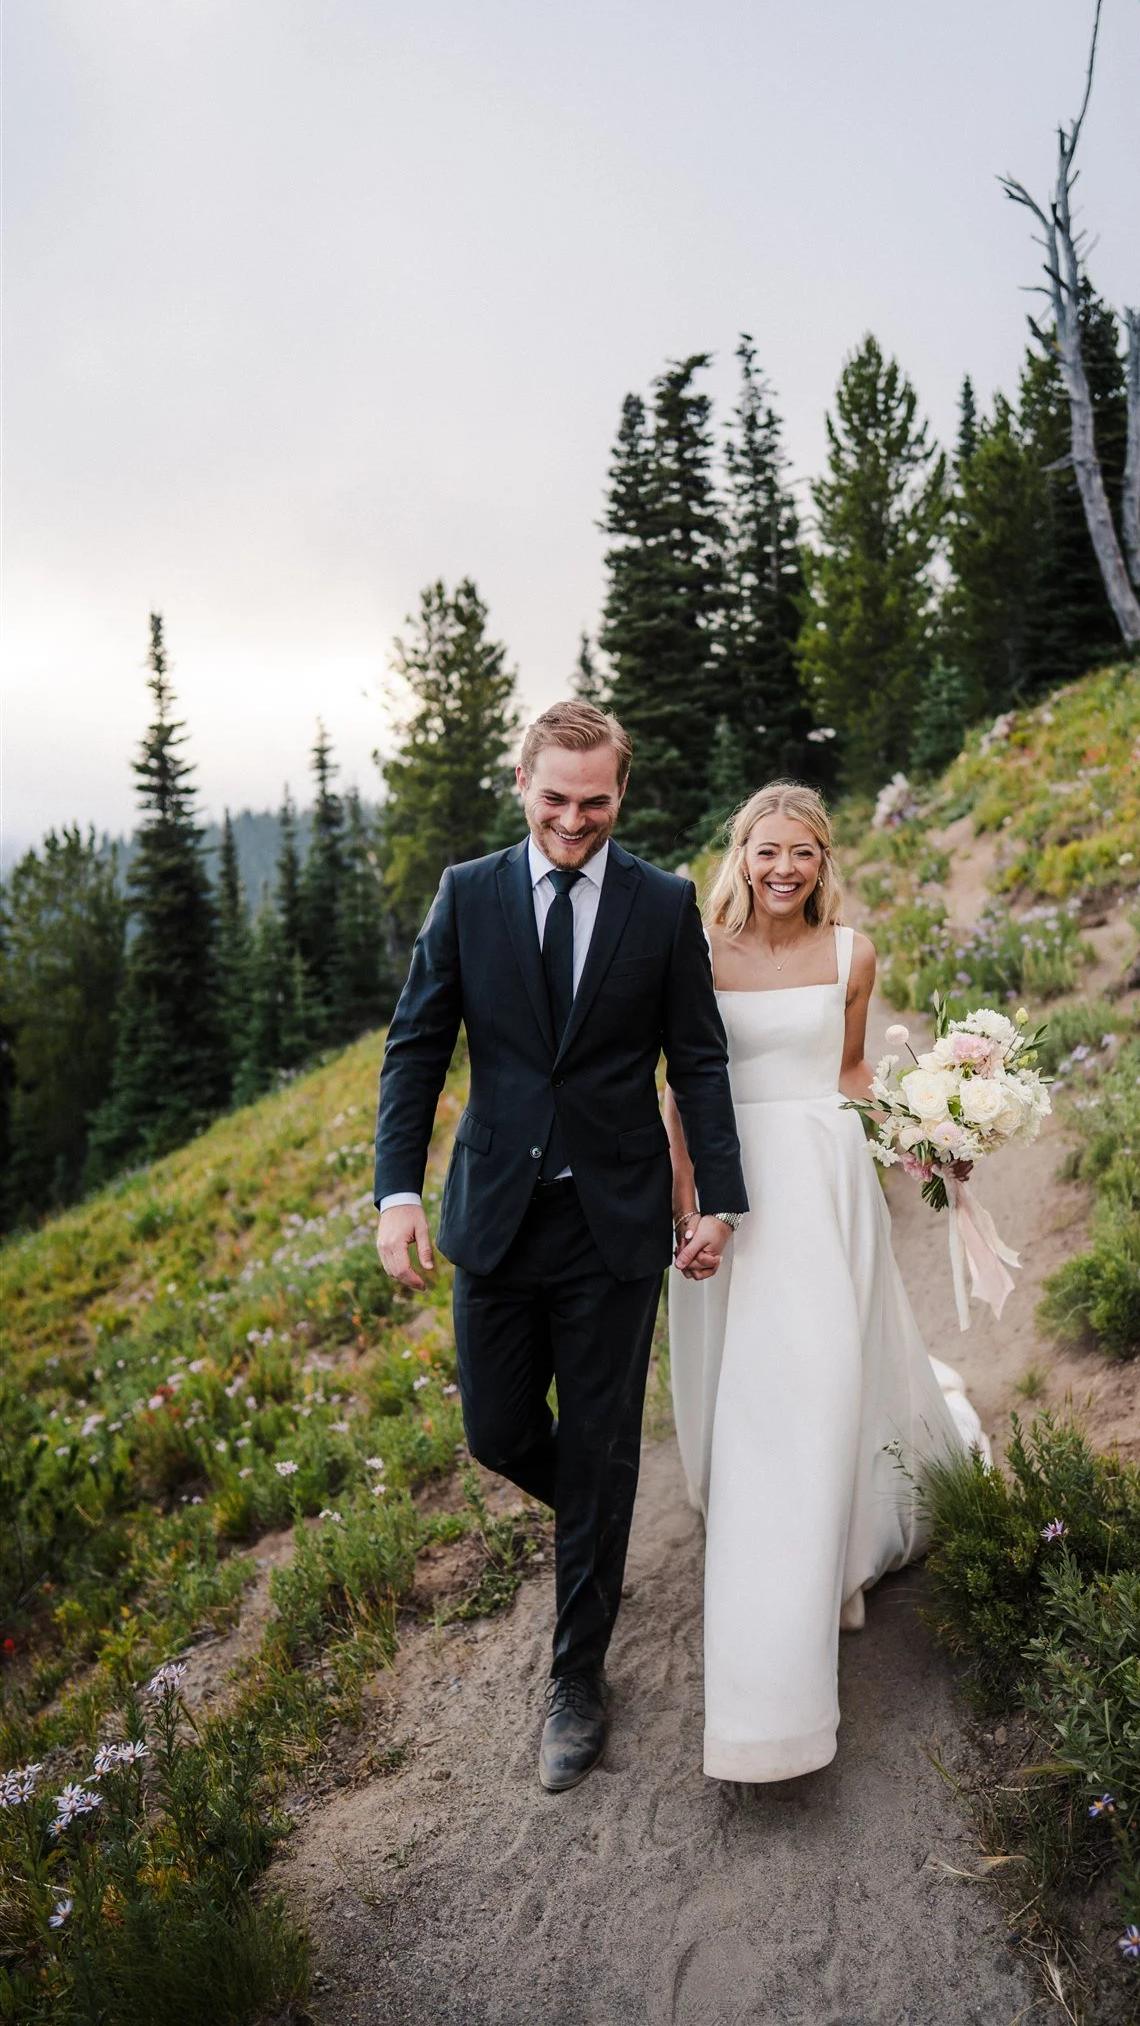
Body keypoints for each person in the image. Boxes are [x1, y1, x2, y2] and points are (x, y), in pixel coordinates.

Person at [374, 702, 747, 1793]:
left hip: (617, 1221)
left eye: (595, 801)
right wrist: (396, 1189)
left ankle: (577, 1678)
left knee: (596, 1443)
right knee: (498, 1432)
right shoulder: (468, 892)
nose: (573, 820)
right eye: (555, 798)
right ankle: (602, 1509)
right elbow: (416, 1045)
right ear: (521, 782)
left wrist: (716, 1197)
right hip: (494, 1211)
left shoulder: (664, 903)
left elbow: (701, 1059)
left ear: (619, 793)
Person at [666, 783, 987, 1784]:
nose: (784, 867)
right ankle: (785, 1550)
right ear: (742, 853)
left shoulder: (853, 953)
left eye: (802, 851)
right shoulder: (699, 953)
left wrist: (922, 1132)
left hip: (827, 1182)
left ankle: (825, 1558)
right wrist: (686, 1199)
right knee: (758, 1384)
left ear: (822, 860)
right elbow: (681, 1082)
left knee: (820, 1369)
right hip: (732, 1184)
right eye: (768, 849)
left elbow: (848, 1072)